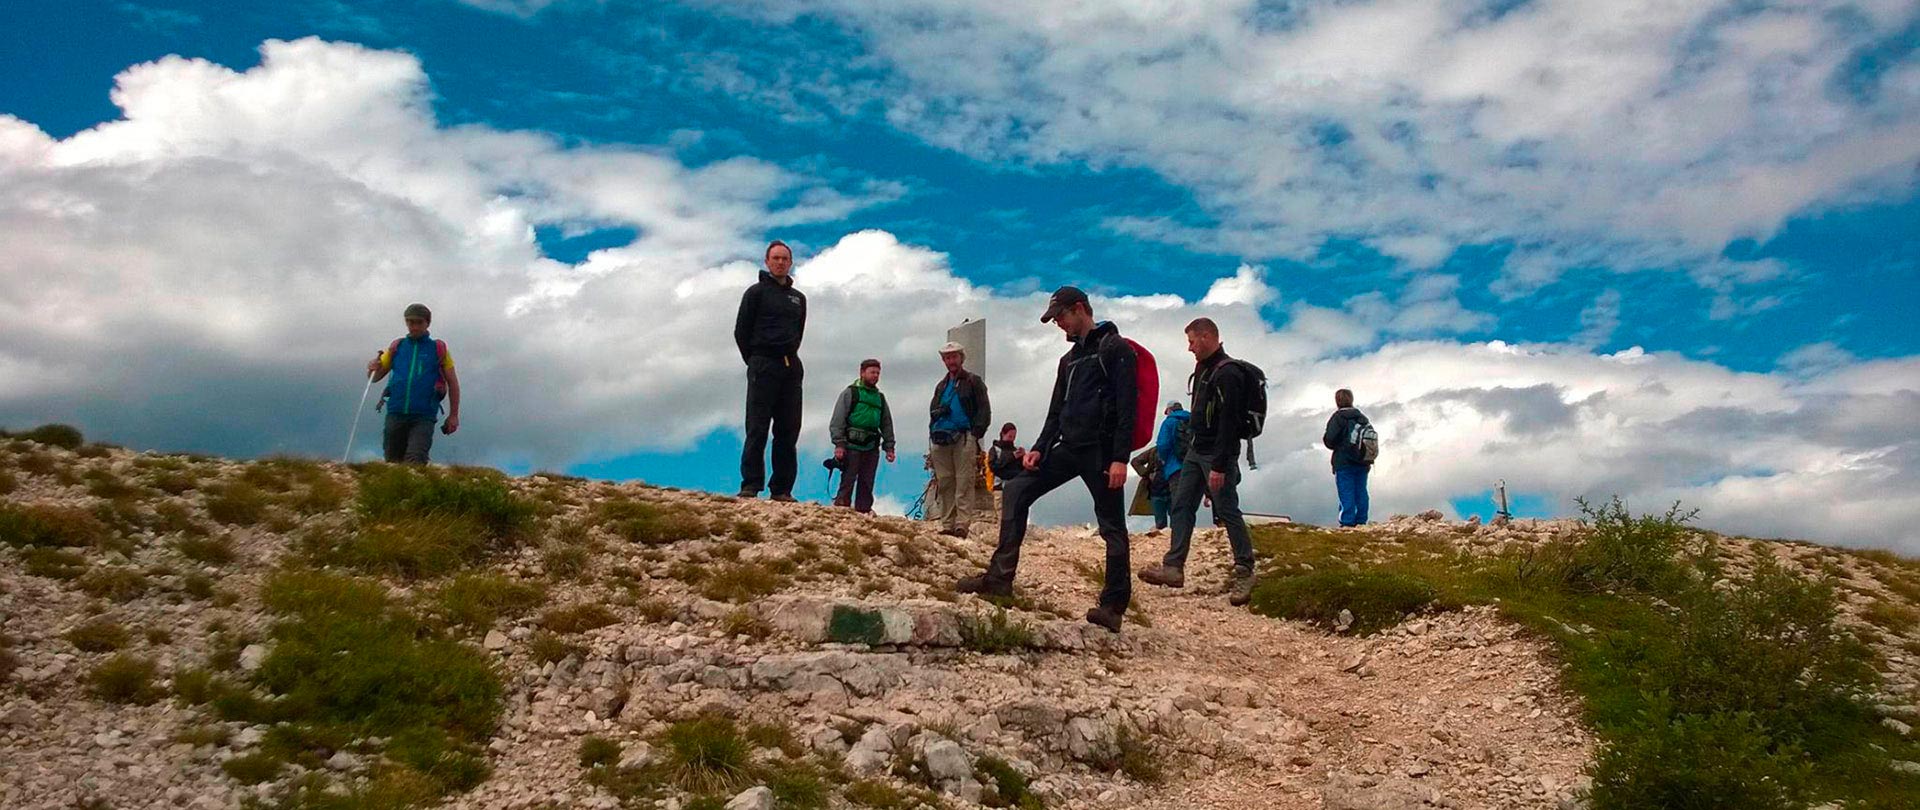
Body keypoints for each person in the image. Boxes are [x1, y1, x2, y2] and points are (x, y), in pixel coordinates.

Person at [957, 286, 1136, 633]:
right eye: (1055, 319)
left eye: (1061, 317)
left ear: (1080, 309)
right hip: (1068, 448)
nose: (1058, 325)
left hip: (1101, 451)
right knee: (1016, 491)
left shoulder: (1116, 349)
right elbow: (1057, 410)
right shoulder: (1067, 361)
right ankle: (999, 579)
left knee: (1112, 525)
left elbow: (1127, 408)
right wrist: (1040, 446)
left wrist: (1120, 459)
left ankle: (1113, 607)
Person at [1139, 317, 1257, 606]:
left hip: (1218, 454)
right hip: (1195, 451)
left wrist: (1218, 465)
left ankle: (1245, 569)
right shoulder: (1203, 368)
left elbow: (1229, 422)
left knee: (1227, 509)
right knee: (1181, 505)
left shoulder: (1228, 373)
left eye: (1192, 341)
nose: (1190, 348)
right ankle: (1174, 567)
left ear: (1206, 337)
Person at [734, 240, 807, 502]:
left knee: (788, 431)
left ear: (790, 262)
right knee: (757, 427)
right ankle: (751, 484)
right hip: (762, 363)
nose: (780, 262)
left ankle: (782, 489)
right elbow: (741, 331)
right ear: (767, 262)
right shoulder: (755, 293)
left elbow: (798, 332)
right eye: (775, 258)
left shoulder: (798, 299)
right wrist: (755, 360)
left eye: (784, 259)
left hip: (791, 366)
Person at [364, 303, 460, 464]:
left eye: (418, 322)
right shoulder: (397, 347)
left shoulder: (438, 349)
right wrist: (372, 368)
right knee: (392, 462)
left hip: (424, 415)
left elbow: (453, 383)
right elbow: (374, 378)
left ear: (427, 323)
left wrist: (454, 415)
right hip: (396, 412)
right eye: (410, 322)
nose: (414, 327)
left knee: (415, 460)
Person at [928, 342, 991, 537]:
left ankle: (961, 524)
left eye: (953, 357)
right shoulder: (941, 385)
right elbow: (933, 410)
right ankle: (948, 524)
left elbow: (984, 408)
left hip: (964, 436)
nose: (950, 361)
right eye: (947, 358)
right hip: (941, 438)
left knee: (964, 481)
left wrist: (975, 433)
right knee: (945, 481)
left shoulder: (973, 381)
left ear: (961, 358)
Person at [829, 359, 896, 513]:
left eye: (878, 373)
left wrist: (889, 447)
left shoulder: (880, 398)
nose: (875, 376)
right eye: (872, 372)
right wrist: (839, 444)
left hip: (872, 446)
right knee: (848, 478)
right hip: (851, 444)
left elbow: (886, 423)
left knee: (867, 481)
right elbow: (838, 419)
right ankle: (841, 508)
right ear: (862, 373)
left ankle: (864, 510)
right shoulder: (850, 393)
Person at [1324, 388, 1373, 527]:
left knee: (1346, 491)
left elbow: (1330, 440)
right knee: (1361, 491)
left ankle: (1347, 522)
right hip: (1363, 461)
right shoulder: (1362, 417)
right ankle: (1361, 520)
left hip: (1344, 461)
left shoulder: (1338, 418)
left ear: (1337, 401)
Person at [1129, 446, 1170, 533]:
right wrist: (1147, 474)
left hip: (1173, 490)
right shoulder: (1154, 451)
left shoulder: (1181, 449)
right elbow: (1135, 461)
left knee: (1178, 521)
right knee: (1160, 525)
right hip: (1156, 490)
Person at [987, 423, 1024, 490]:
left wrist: (1023, 458)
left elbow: (1021, 469)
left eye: (1014, 437)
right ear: (1003, 434)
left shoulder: (1016, 451)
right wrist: (1012, 456)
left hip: (1015, 486)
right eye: (1010, 436)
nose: (1012, 439)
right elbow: (993, 467)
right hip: (999, 487)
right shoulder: (995, 449)